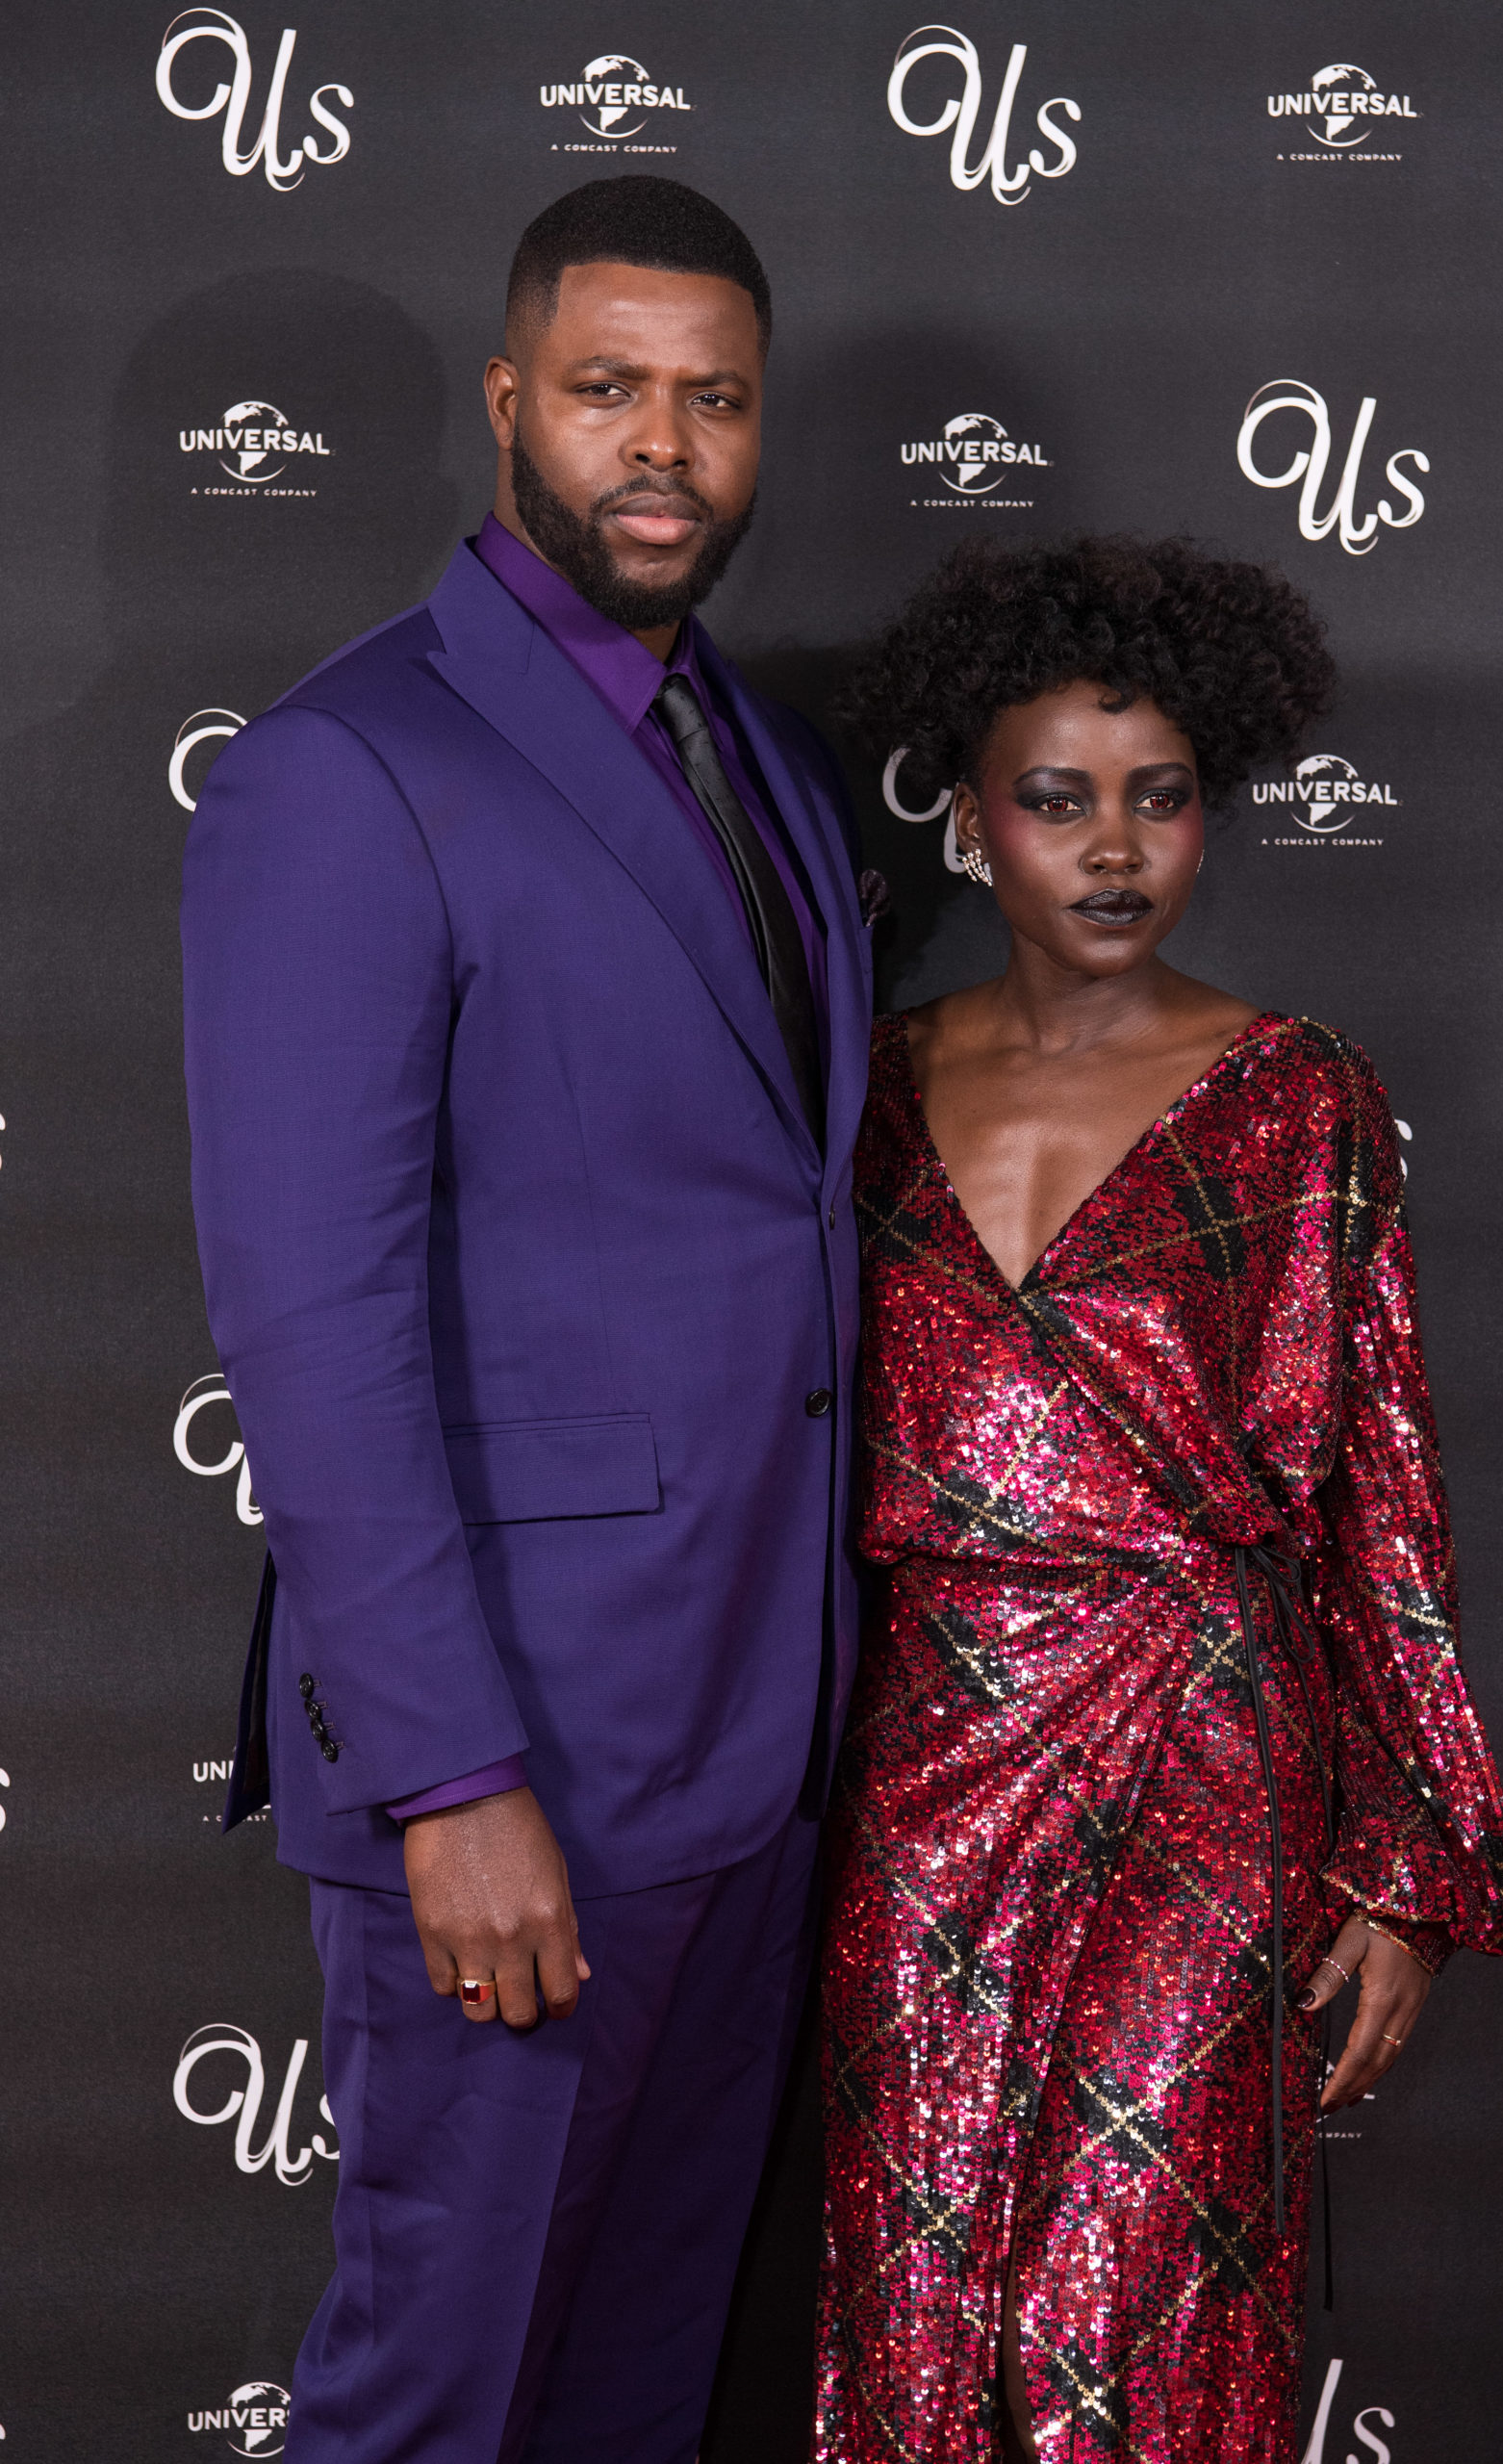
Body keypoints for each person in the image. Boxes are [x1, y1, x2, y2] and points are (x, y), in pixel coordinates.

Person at [182, 176, 873, 2464]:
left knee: (632, 2395)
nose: (661, 444)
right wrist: (452, 1779)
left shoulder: (759, 754)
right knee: (439, 2399)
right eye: (606, 390)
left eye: (712, 399)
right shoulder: (347, 767)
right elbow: (315, 1323)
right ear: (508, 403)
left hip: (754, 1749)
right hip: (522, 1771)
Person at [815, 537, 1503, 2463]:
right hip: (926, 1766)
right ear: (970, 819)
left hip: (1202, 1757)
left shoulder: (1297, 1094)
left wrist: (1403, 1861)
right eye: (1057, 799)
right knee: (910, 2292)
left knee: (1122, 2311)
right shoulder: (858, 1094)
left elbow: (1381, 1494)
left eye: (1160, 796)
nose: (1115, 846)